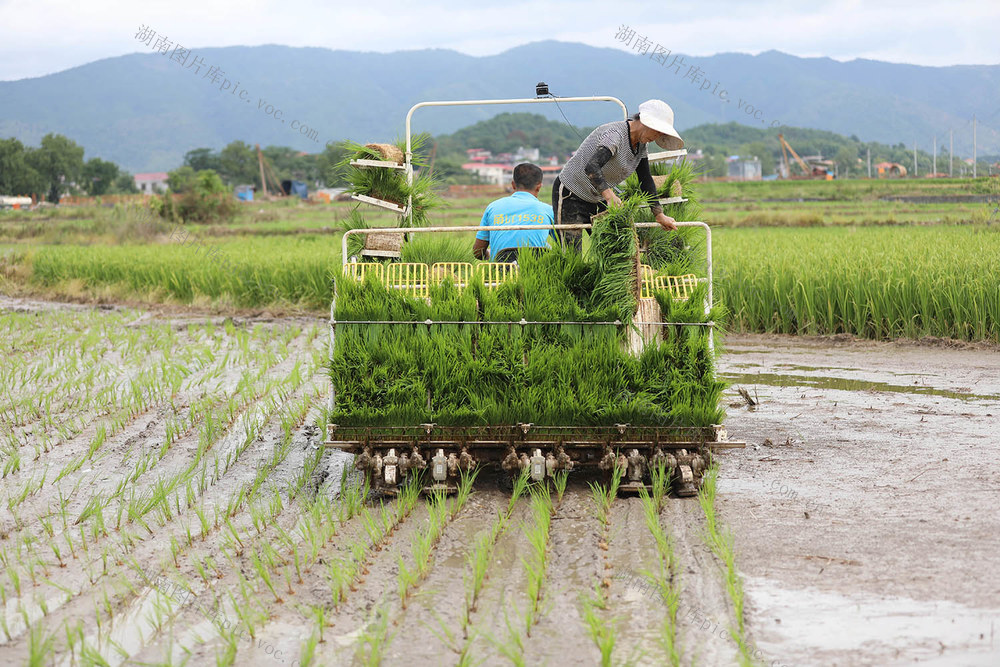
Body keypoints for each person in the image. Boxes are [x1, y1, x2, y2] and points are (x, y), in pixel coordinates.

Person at [552, 99, 683, 251]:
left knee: (613, 248)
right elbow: (592, 167)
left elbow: (645, 180)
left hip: (597, 196)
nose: (656, 137)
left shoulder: (641, 146)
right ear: (645, 122)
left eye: (661, 133)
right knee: (571, 252)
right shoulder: (615, 135)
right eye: (657, 131)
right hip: (572, 193)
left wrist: (658, 214)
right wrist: (609, 196)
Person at [473, 163, 555, 262]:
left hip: (500, 269)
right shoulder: (548, 210)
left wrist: (489, 254)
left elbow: (478, 252)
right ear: (539, 187)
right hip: (538, 269)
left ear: (513, 185)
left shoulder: (493, 207)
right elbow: (565, 244)